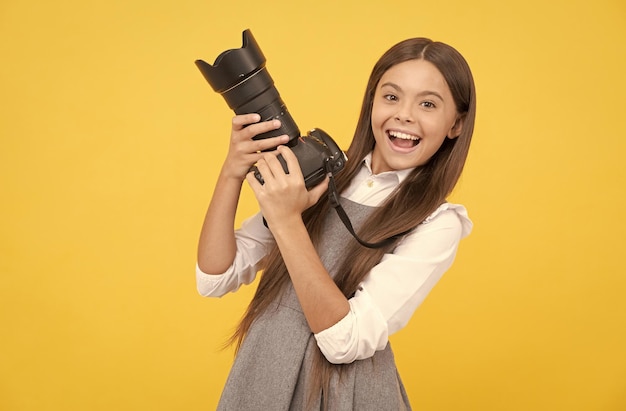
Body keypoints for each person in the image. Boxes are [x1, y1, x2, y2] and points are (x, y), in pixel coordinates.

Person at [196, 36, 476, 410]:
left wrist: (286, 220)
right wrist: (232, 172)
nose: (405, 115)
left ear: (456, 124)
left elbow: (345, 340)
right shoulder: (322, 172)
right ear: (372, 103)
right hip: (263, 377)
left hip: (342, 395)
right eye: (391, 97)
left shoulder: (438, 223)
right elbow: (215, 276)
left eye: (427, 104)